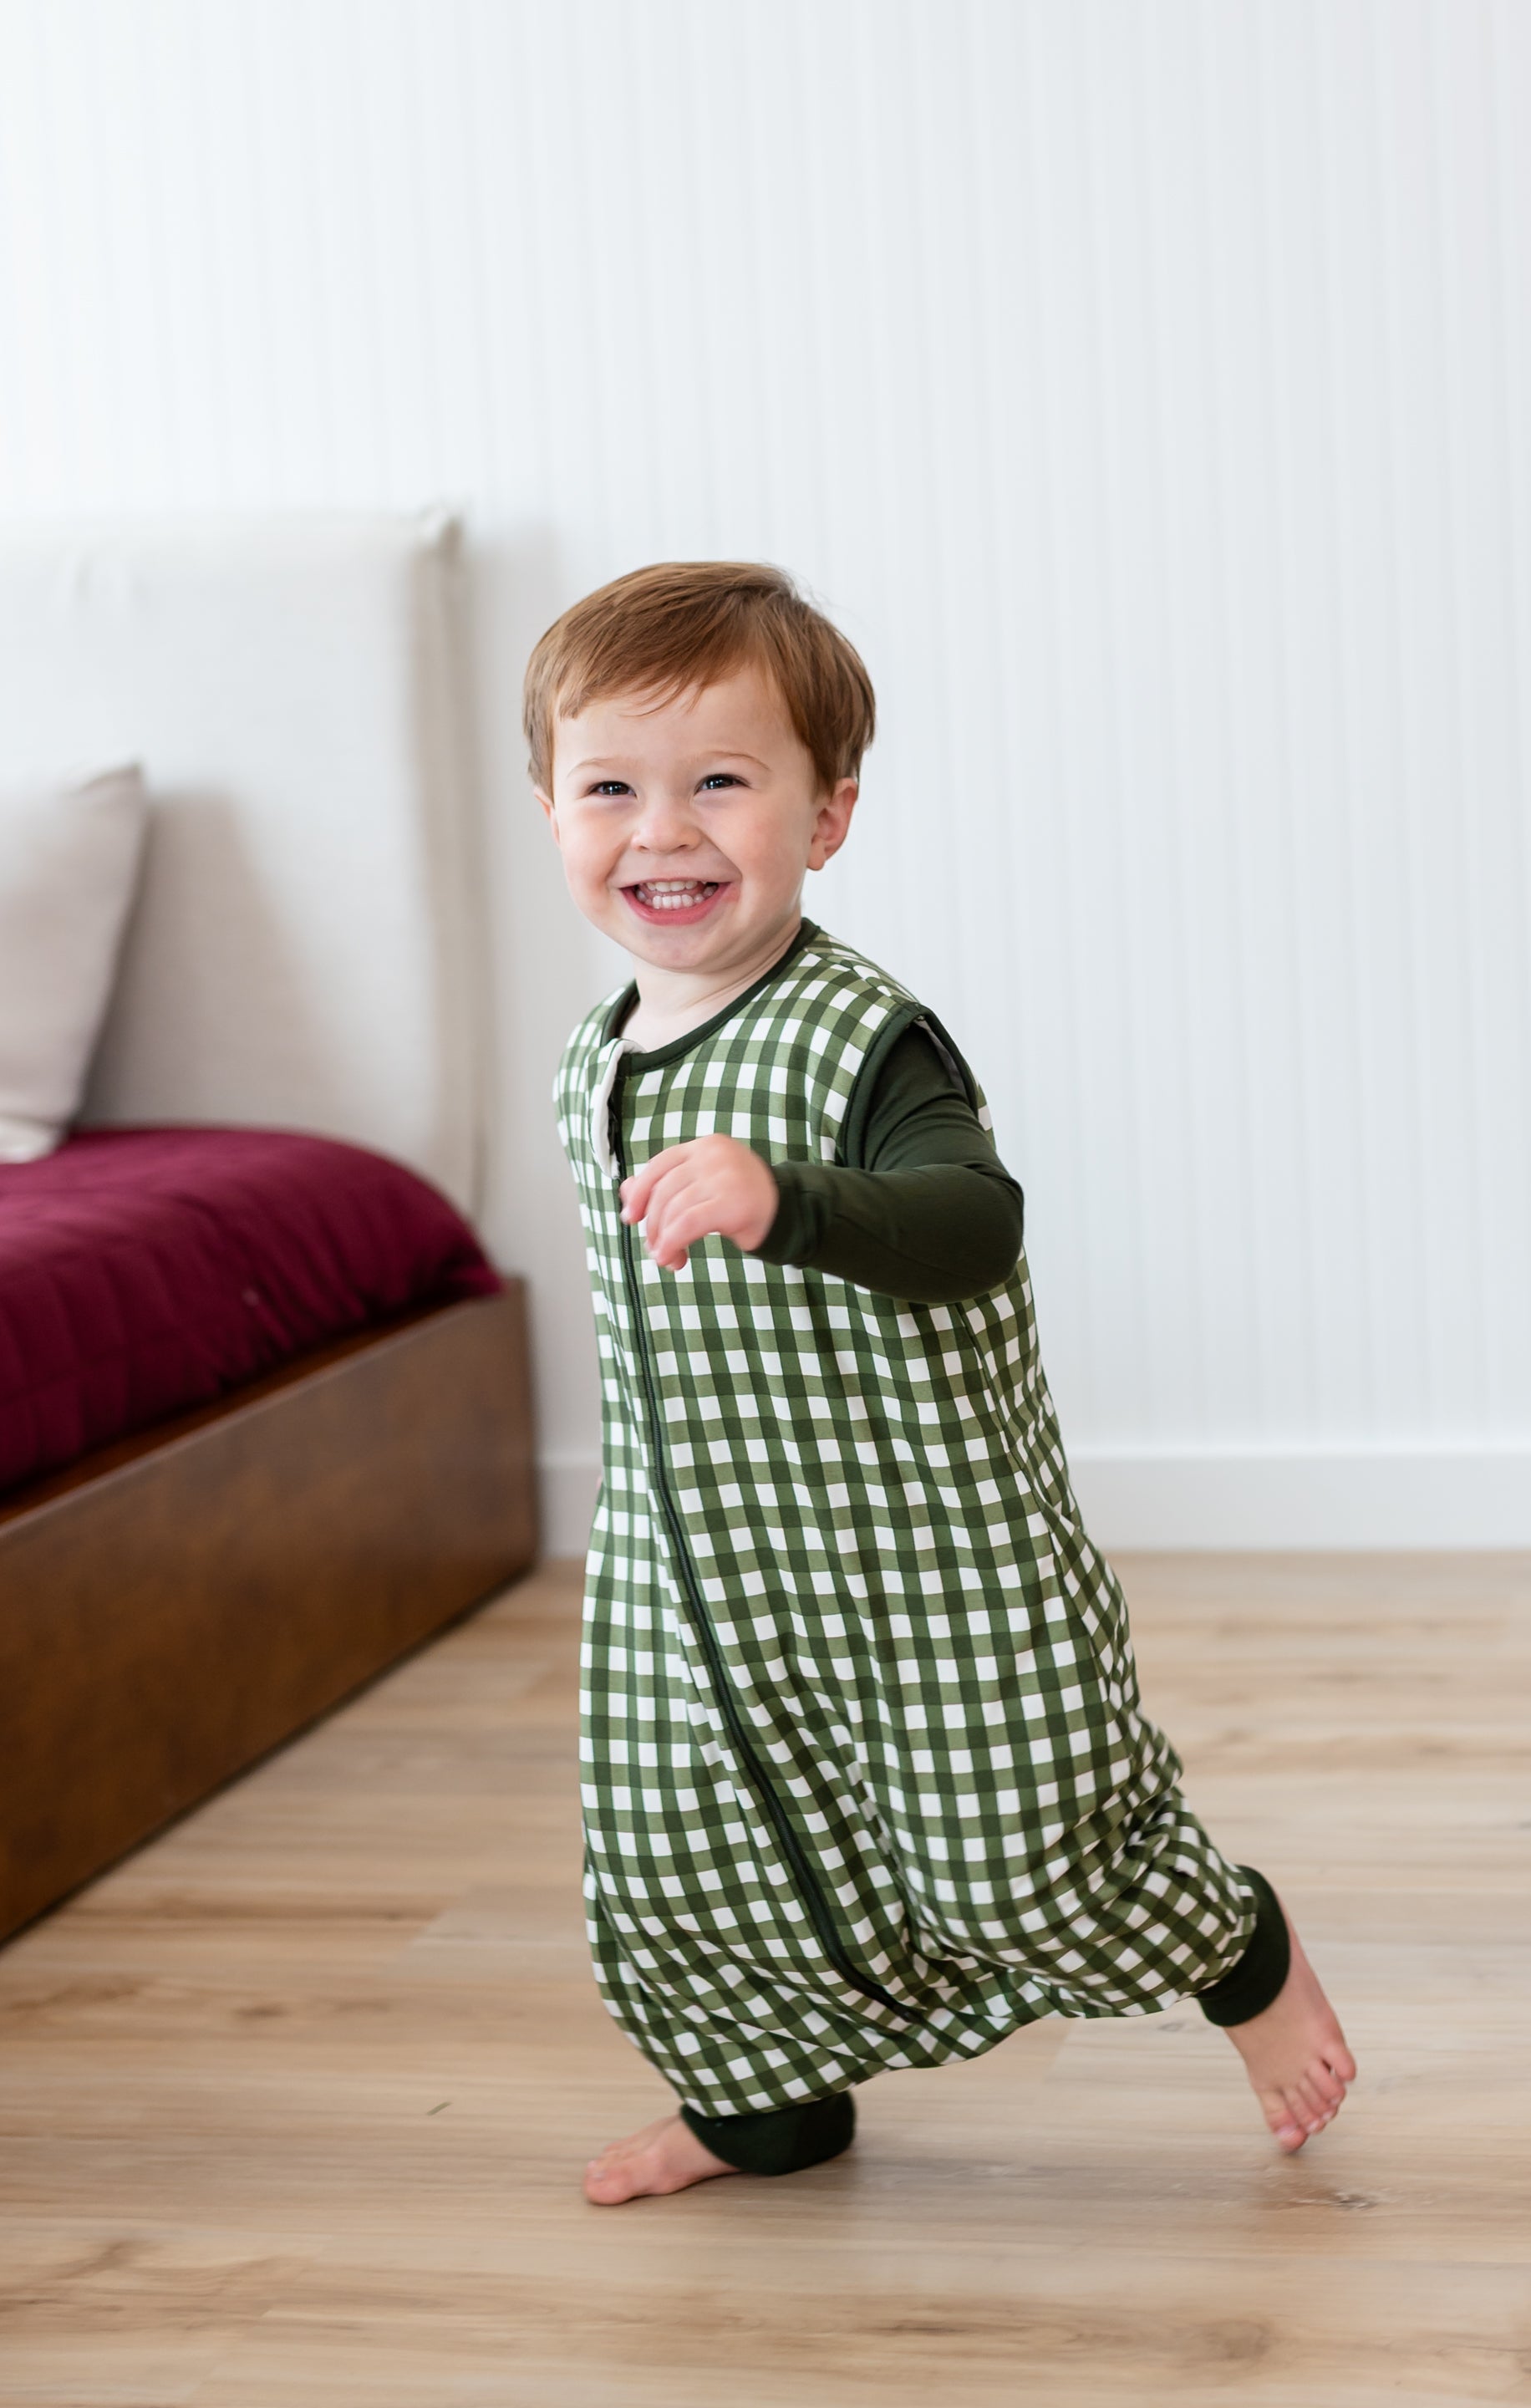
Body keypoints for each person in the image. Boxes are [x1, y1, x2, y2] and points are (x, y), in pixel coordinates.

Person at [532, 561, 1357, 2203]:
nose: (663, 831)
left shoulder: (862, 1040)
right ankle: (764, 2106)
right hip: (699, 1563)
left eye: (722, 783)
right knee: (677, 1855)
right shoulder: (596, 1055)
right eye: (609, 786)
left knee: (1012, 1859)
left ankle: (1240, 1951)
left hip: (920, 1554)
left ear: (826, 816)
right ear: (549, 808)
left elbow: (975, 1226)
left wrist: (789, 1196)